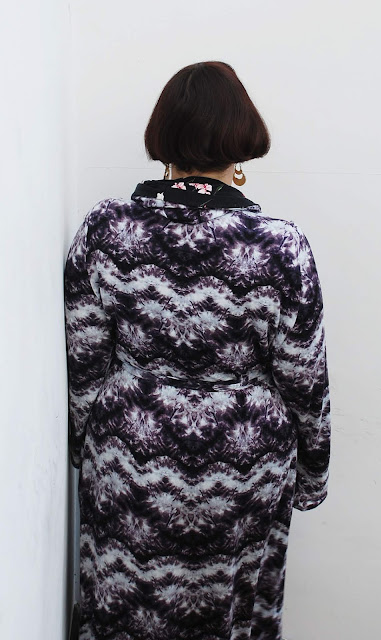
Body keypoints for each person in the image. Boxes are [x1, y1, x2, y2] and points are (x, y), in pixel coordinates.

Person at [64, 60, 331, 640]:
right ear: (242, 139)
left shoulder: (105, 229)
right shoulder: (281, 245)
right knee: (230, 614)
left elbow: (85, 365)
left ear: (163, 134)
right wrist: (313, 474)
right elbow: (305, 378)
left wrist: (86, 448)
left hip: (131, 453)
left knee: (123, 605)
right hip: (245, 460)